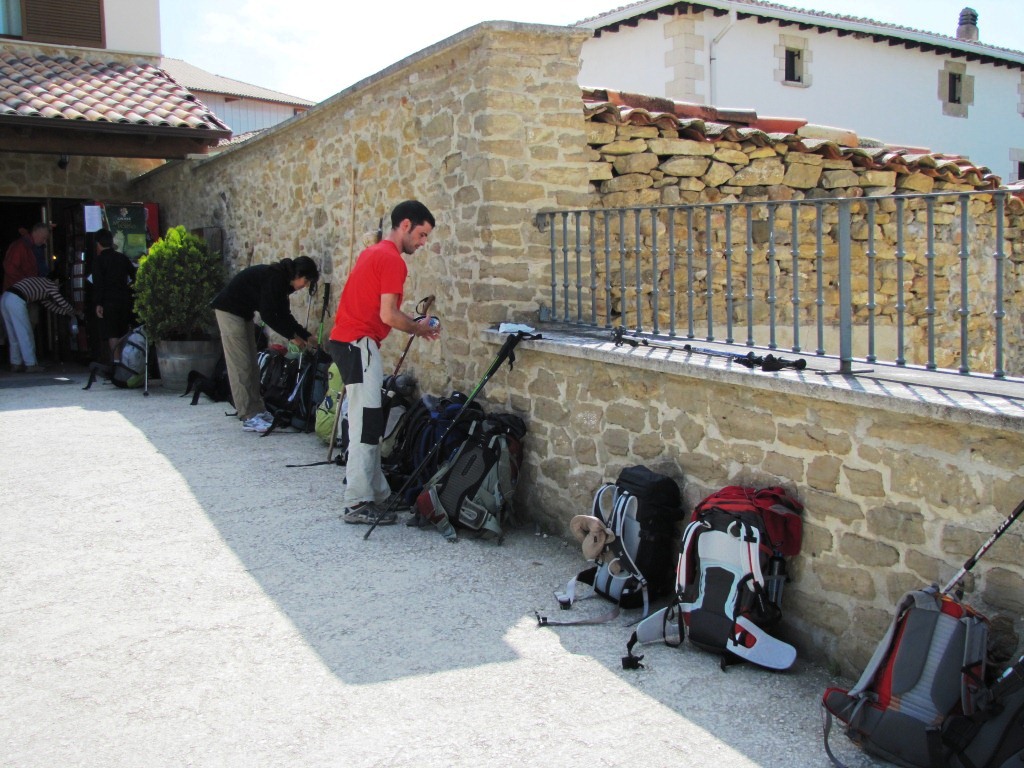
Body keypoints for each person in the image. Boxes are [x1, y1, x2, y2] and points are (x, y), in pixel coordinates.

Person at [329, 200, 441, 526]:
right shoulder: (392, 260)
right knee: (366, 426)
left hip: (349, 343)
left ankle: (377, 493)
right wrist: (419, 328)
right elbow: (388, 315)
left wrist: (415, 324)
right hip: (359, 344)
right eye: (421, 234)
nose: (423, 242)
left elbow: (382, 311)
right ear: (405, 225)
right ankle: (357, 502)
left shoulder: (373, 252)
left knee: (369, 422)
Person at [211, 256, 320, 433]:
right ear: (298, 274)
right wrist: (292, 338)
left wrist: (306, 336)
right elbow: (269, 315)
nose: (305, 286)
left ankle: (258, 410)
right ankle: (248, 416)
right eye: (306, 281)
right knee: (241, 365)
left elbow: (284, 315)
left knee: (252, 365)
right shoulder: (275, 279)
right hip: (229, 312)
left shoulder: (283, 283)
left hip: (243, 314)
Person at [0, 272, 83, 372]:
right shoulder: (50, 284)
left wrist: (67, 313)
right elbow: (61, 301)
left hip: (5, 297)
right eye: (60, 285)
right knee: (25, 333)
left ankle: (16, 363)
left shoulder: (42, 286)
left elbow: (50, 306)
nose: (59, 288)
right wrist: (75, 311)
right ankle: (31, 364)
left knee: (13, 334)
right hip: (16, 300)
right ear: (57, 281)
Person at [92, 228, 137, 362]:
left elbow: (98, 283)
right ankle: (125, 360)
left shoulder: (99, 261)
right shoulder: (122, 258)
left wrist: (98, 303)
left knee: (112, 332)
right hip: (124, 298)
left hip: (108, 300)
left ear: (98, 244)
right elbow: (135, 276)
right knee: (123, 330)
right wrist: (129, 289)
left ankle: (116, 361)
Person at [3, 223, 47, 291]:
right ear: (36, 233)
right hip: (16, 291)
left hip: (21, 290)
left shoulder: (29, 247)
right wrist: (27, 283)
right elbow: (9, 268)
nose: (44, 242)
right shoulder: (20, 246)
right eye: (44, 238)